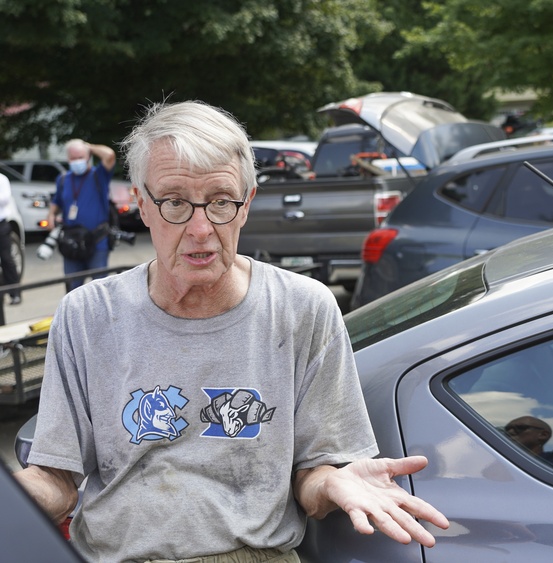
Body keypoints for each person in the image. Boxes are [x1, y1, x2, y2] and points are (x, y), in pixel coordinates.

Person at [14, 100, 448, 562]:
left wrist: (333, 480)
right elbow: (57, 481)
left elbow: (314, 476)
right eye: (175, 203)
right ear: (140, 204)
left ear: (247, 205)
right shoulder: (87, 314)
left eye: (221, 202)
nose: (201, 228)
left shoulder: (302, 307)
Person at [48, 138, 116, 291]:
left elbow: (109, 155)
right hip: (71, 241)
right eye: (73, 158)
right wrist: (51, 215)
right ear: (68, 159)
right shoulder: (63, 179)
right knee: (73, 289)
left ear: (88, 157)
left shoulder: (98, 175)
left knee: (100, 289)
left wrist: (89, 146)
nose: (77, 161)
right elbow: (57, 201)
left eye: (80, 157)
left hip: (97, 241)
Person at [0, 174, 22, 304]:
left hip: (1, 225)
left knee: (7, 259)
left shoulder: (2, 179)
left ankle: (15, 293)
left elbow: (5, 199)